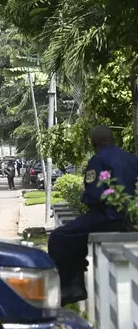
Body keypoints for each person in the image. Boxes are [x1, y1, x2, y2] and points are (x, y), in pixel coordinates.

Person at [48, 126, 138, 305]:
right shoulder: (131, 158)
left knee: (59, 237)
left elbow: (94, 195)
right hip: (131, 217)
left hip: (108, 217)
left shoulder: (98, 160)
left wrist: (84, 196)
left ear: (94, 143)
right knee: (77, 236)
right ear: (112, 139)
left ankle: (71, 287)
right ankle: (76, 284)